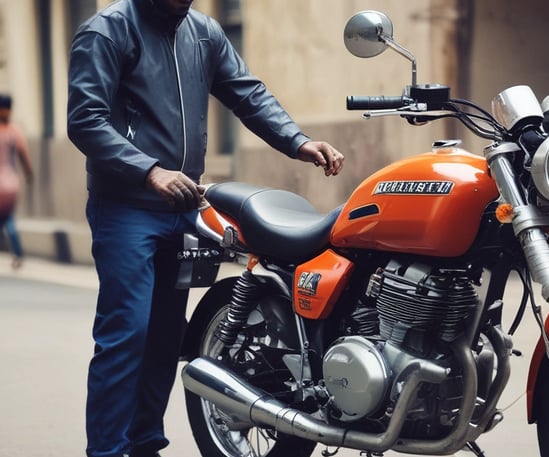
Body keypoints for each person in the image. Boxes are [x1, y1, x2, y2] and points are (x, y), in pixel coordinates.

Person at [66, 1, 344, 457]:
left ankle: (145, 445)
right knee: (127, 335)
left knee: (165, 337)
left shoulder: (203, 32)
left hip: (182, 206)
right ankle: (107, 452)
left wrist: (297, 141)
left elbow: (247, 92)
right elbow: (85, 120)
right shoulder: (107, 32)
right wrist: (149, 171)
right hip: (127, 208)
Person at [0, 94, 33, 270]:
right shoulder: (15, 131)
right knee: (9, 218)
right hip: (11, 183)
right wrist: (29, 175)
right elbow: (24, 156)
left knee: (5, 219)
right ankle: (18, 254)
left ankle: (16, 253)